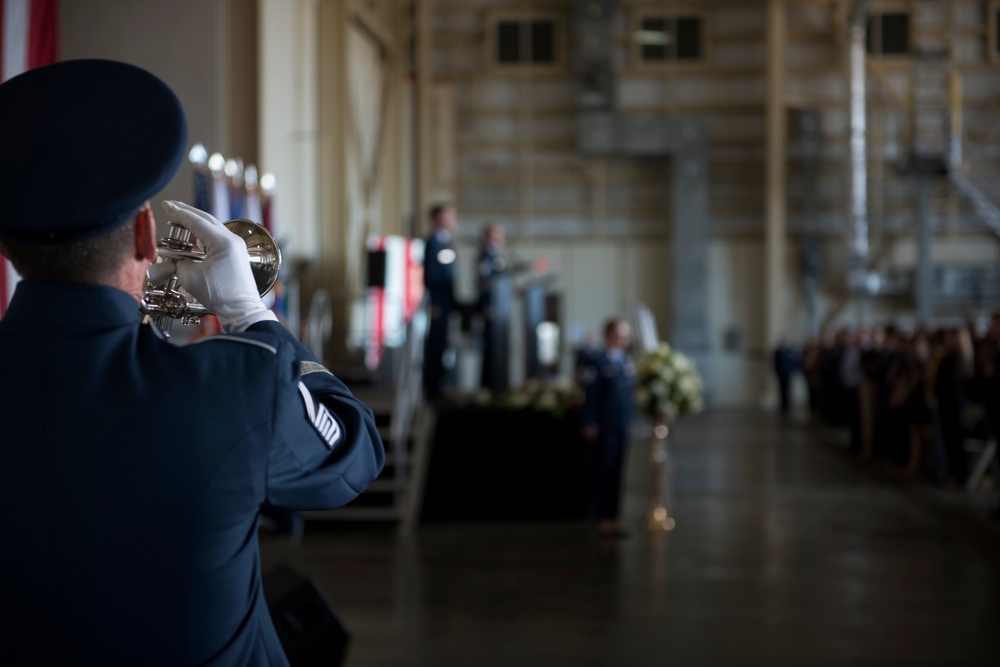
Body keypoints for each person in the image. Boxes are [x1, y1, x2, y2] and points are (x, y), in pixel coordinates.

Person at [0, 59, 384, 666]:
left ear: (7, 246)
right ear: (147, 235)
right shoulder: (234, 388)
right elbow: (354, 455)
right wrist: (254, 318)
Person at [581, 318, 636, 538]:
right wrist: (589, 421)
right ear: (608, 335)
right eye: (618, 335)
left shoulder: (625, 361)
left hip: (621, 425)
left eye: (625, 336)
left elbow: (627, 397)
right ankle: (602, 518)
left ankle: (614, 517)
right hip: (604, 427)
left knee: (617, 472)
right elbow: (591, 396)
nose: (622, 340)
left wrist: (631, 420)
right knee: (603, 471)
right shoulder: (598, 361)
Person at [423, 203, 457, 399]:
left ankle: (439, 385)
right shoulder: (434, 243)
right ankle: (432, 388)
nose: (453, 220)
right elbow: (432, 275)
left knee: (443, 345)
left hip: (446, 302)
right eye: (449, 216)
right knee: (435, 345)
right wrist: (434, 304)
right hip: (438, 303)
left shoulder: (446, 242)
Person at [477, 222, 507, 393]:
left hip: (499, 307)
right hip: (491, 308)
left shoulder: (496, 253)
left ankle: (495, 384)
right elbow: (484, 282)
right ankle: (489, 385)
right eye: (497, 233)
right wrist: (487, 304)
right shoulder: (486, 255)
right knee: (490, 348)